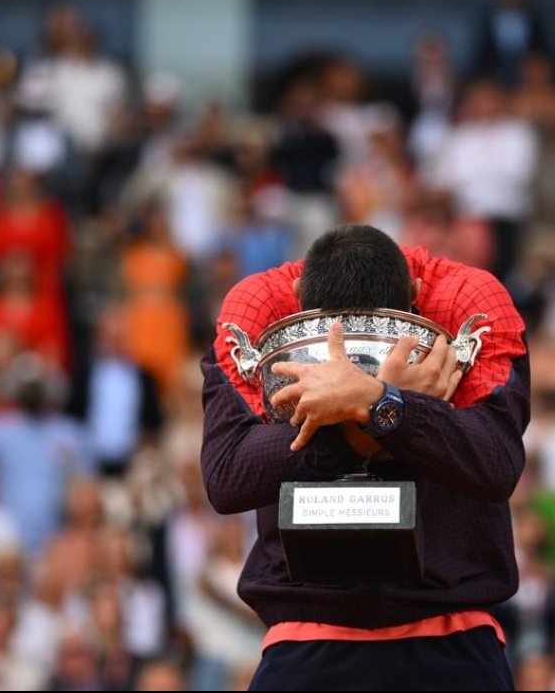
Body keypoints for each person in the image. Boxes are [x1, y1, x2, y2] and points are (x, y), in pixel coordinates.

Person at [200, 224, 529, 690]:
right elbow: (227, 474)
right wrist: (379, 414)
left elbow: (496, 463)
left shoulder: (468, 299)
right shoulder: (257, 303)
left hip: (441, 630)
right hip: (350, 638)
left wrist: (377, 404)